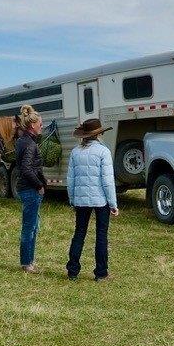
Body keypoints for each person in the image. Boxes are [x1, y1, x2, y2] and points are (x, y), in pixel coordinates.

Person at [65, 118, 119, 281]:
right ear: (99, 134)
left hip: (80, 200)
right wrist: (113, 204)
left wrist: (72, 199)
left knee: (79, 233)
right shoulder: (103, 152)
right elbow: (107, 181)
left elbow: (71, 179)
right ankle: (101, 273)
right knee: (101, 235)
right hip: (101, 200)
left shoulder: (75, 152)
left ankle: (73, 271)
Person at [14, 104, 46, 273]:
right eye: (40, 124)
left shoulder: (21, 141)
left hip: (25, 189)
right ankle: (27, 263)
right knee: (30, 227)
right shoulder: (30, 145)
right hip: (30, 190)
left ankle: (29, 260)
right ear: (33, 125)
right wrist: (39, 185)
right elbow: (26, 168)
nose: (42, 126)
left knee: (33, 226)